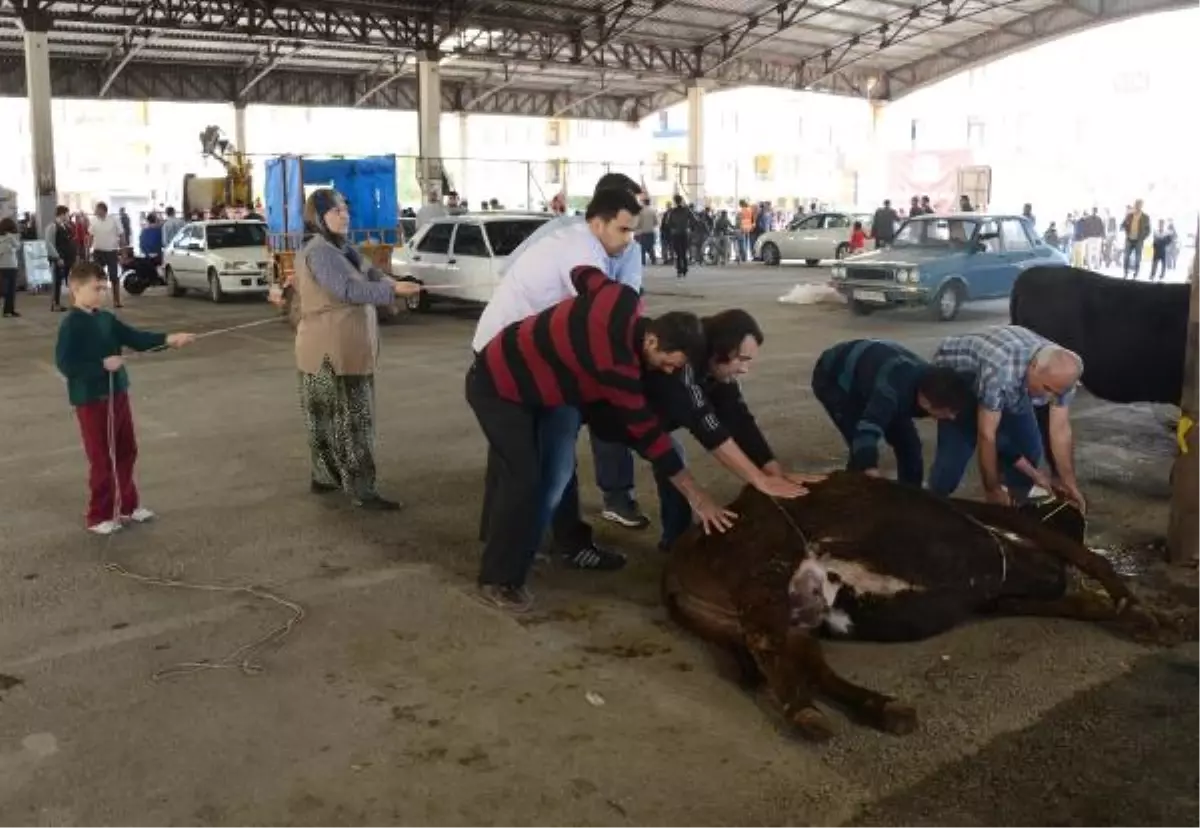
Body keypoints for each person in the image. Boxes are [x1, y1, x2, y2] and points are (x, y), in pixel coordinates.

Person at [467, 265, 735, 613]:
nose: (668, 372)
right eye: (668, 364)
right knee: (525, 479)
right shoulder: (617, 367)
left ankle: (513, 544)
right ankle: (498, 579)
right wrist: (697, 497)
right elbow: (652, 440)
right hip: (497, 386)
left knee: (538, 470)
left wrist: (571, 321)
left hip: (538, 387)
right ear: (651, 340)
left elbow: (582, 273)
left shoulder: (621, 297)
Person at [477, 175, 651, 562]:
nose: (629, 238)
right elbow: (602, 315)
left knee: (537, 456)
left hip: (530, 355)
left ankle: (527, 539)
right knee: (544, 460)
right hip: (510, 359)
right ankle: (525, 549)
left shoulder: (595, 241)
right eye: (623, 228)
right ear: (598, 221)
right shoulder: (581, 249)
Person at [591, 309, 817, 551]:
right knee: (600, 450)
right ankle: (603, 512)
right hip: (610, 414)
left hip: (653, 421)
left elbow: (738, 419)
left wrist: (773, 470)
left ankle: (675, 541)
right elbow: (707, 426)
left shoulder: (716, 370)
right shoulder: (682, 362)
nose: (744, 369)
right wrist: (758, 480)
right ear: (718, 350)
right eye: (740, 359)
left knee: (673, 462)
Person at [291, 188, 421, 510]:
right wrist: (391, 293)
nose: (345, 215)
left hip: (328, 349)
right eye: (336, 211)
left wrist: (395, 284)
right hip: (335, 352)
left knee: (324, 417)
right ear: (319, 217)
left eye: (345, 209)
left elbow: (370, 273)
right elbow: (347, 289)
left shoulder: (341, 247)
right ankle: (362, 490)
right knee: (355, 419)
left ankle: (324, 476)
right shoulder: (321, 251)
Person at [53, 262, 196, 534]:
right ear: (75, 288)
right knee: (101, 456)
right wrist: (99, 366)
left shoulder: (105, 318)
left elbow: (136, 338)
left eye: (104, 289)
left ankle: (128, 506)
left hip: (117, 392)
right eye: (96, 289)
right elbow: (65, 363)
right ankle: (99, 515)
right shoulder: (71, 324)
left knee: (126, 449)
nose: (102, 294)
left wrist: (169, 339)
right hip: (92, 399)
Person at [929, 326, 1085, 510]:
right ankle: (930, 503)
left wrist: (1069, 482)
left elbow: (1060, 430)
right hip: (957, 376)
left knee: (1029, 448)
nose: (1049, 398)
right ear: (1034, 367)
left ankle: (1014, 502)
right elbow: (987, 434)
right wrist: (992, 488)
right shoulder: (1001, 369)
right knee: (951, 464)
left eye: (1055, 393)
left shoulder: (1063, 374)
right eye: (1047, 389)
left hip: (1009, 376)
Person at [811, 340, 976, 487]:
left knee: (909, 445)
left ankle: (912, 498)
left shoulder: (933, 381)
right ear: (925, 402)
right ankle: (853, 497)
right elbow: (866, 431)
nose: (952, 417)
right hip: (834, 376)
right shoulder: (888, 394)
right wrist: (869, 468)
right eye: (946, 412)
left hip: (877, 369)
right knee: (859, 445)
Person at [89, 201, 124, 305]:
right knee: (96, 277)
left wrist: (123, 250)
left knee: (114, 276)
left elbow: (122, 234)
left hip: (111, 252)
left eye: (97, 209)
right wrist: (87, 250)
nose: (95, 211)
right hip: (98, 252)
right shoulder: (93, 221)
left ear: (103, 210)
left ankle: (116, 300)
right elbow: (90, 236)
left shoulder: (114, 220)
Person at [45, 205, 77, 312]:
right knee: (57, 281)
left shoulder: (65, 226)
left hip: (68, 259)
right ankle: (55, 304)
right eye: (67, 214)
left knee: (65, 281)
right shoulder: (52, 226)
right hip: (59, 258)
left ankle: (64, 302)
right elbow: (49, 243)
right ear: (62, 214)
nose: (69, 216)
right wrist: (57, 257)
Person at [0, 216, 20, 318]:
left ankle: (10, 310)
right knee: (6, 290)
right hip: (5, 266)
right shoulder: (7, 238)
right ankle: (7, 311)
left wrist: (10, 249)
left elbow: (18, 246)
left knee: (11, 290)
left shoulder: (11, 237)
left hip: (11, 265)